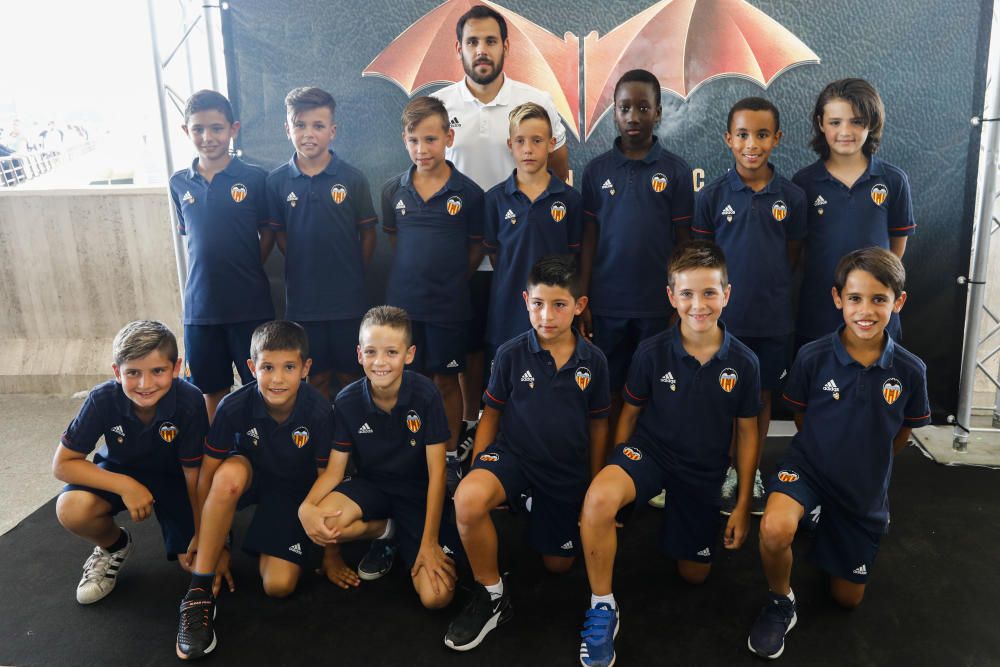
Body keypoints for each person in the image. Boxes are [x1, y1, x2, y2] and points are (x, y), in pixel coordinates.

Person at [577, 241, 761, 667]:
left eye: (709, 292)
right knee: (599, 500)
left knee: (693, 576)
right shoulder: (652, 351)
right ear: (671, 297)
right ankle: (603, 606)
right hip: (651, 453)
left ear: (727, 295)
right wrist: (618, 470)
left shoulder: (745, 363)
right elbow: (629, 412)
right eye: (687, 294)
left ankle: (683, 516)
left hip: (702, 469)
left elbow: (749, 434)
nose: (698, 305)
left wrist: (743, 502)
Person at [747, 247, 930, 660]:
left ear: (898, 302)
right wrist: (823, 456)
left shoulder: (910, 370)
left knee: (847, 600)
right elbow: (801, 415)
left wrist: (868, 464)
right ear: (837, 299)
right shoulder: (812, 356)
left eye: (879, 299)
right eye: (855, 298)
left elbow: (902, 432)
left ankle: (828, 518)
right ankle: (780, 602)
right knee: (775, 529)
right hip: (808, 469)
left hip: (862, 488)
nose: (865, 310)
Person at [444, 255, 610, 652]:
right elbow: (491, 413)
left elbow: (599, 424)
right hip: (513, 457)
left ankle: (536, 503)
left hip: (564, 470)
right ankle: (492, 594)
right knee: (468, 499)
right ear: (525, 301)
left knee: (558, 565)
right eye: (537, 304)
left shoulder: (595, 361)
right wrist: (477, 466)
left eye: (559, 305)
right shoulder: (510, 353)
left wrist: (594, 482)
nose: (546, 315)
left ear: (579, 306)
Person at [434, 4, 571, 455]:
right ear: (459, 48)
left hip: (521, 254)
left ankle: (530, 432)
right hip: (467, 252)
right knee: (476, 348)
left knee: (528, 342)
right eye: (472, 42)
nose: (482, 50)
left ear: (505, 46)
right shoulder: (443, 106)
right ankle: (476, 422)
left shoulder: (535, 100)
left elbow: (562, 171)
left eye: (490, 41)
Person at [175, 321, 333, 660]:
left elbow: (327, 478)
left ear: (305, 368)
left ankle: (266, 537)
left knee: (278, 586)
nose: (277, 379)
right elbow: (207, 476)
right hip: (251, 475)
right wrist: (205, 538)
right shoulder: (233, 406)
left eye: (289, 367)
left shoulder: (319, 411)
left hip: (292, 491)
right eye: (267, 367)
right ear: (251, 368)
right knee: (227, 475)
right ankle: (199, 591)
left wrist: (331, 553)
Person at [298, 305, 461, 608]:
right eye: (371, 352)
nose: (380, 362)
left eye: (391, 352)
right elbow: (334, 472)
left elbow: (438, 474)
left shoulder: (426, 395)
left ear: (409, 355)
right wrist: (306, 507)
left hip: (417, 494)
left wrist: (428, 544)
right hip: (373, 488)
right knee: (325, 521)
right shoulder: (346, 401)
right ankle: (388, 530)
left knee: (436, 598)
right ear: (359, 355)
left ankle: (408, 536)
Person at [691, 97, 807, 515]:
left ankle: (749, 469)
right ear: (728, 139)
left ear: (777, 138)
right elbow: (702, 262)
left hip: (772, 321)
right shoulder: (712, 196)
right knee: (721, 397)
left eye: (761, 134)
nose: (751, 144)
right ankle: (719, 466)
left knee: (758, 400)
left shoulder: (792, 197)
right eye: (742, 134)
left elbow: (791, 255)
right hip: (723, 324)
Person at [579, 69, 695, 468]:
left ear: (658, 113)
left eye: (643, 108)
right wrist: (584, 294)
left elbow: (684, 245)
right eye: (625, 107)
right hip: (608, 302)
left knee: (651, 388)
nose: (633, 116)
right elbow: (589, 240)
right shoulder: (596, 171)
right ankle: (609, 463)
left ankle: (644, 462)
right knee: (609, 389)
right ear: (613, 113)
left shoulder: (676, 171)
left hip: (656, 304)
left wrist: (679, 300)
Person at [53, 320, 208, 604]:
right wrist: (125, 485)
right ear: (116, 372)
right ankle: (114, 546)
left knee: (198, 564)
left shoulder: (190, 401)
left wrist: (204, 534)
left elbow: (194, 474)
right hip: (121, 471)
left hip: (175, 480)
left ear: (176, 368)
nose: (145, 384)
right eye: (133, 373)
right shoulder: (102, 399)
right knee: (72, 509)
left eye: (157, 371)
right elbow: (63, 464)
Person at [381, 96, 484, 492]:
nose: (422, 150)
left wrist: (453, 277)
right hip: (404, 307)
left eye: (430, 139)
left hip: (449, 307)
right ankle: (416, 449)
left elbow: (477, 247)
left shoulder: (469, 194)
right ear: (404, 140)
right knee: (411, 381)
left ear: (448, 137)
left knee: (446, 381)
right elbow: (393, 239)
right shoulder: (393, 190)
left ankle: (452, 454)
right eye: (413, 140)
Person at [266, 87, 377, 401]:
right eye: (300, 125)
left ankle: (352, 441)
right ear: (288, 129)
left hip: (348, 300)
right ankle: (321, 442)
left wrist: (353, 270)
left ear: (332, 131)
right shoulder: (276, 182)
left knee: (350, 374)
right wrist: (303, 262)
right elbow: (280, 236)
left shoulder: (353, 179)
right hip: (303, 301)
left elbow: (368, 234)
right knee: (314, 376)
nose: (308, 134)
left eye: (318, 126)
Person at [170, 89, 275, 420]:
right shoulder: (178, 184)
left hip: (249, 305)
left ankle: (258, 453)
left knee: (258, 385)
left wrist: (247, 263)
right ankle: (217, 453)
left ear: (234, 128)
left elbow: (269, 232)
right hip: (201, 309)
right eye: (198, 129)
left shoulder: (256, 179)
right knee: (210, 389)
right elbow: (193, 240)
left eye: (216, 128)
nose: (207, 137)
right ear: (186, 131)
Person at [794, 78, 915, 347]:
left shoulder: (893, 180)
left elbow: (896, 250)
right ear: (821, 123)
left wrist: (870, 287)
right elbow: (799, 249)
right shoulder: (804, 182)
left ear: (871, 123)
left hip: (874, 315)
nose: (845, 131)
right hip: (820, 310)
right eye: (836, 122)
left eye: (856, 121)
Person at [483, 102, 582, 354]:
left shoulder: (570, 199)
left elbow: (573, 257)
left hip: (554, 315)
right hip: (507, 310)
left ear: (551, 143)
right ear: (510, 145)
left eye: (537, 140)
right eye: (520, 141)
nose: (528, 149)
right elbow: (495, 255)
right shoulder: (495, 199)